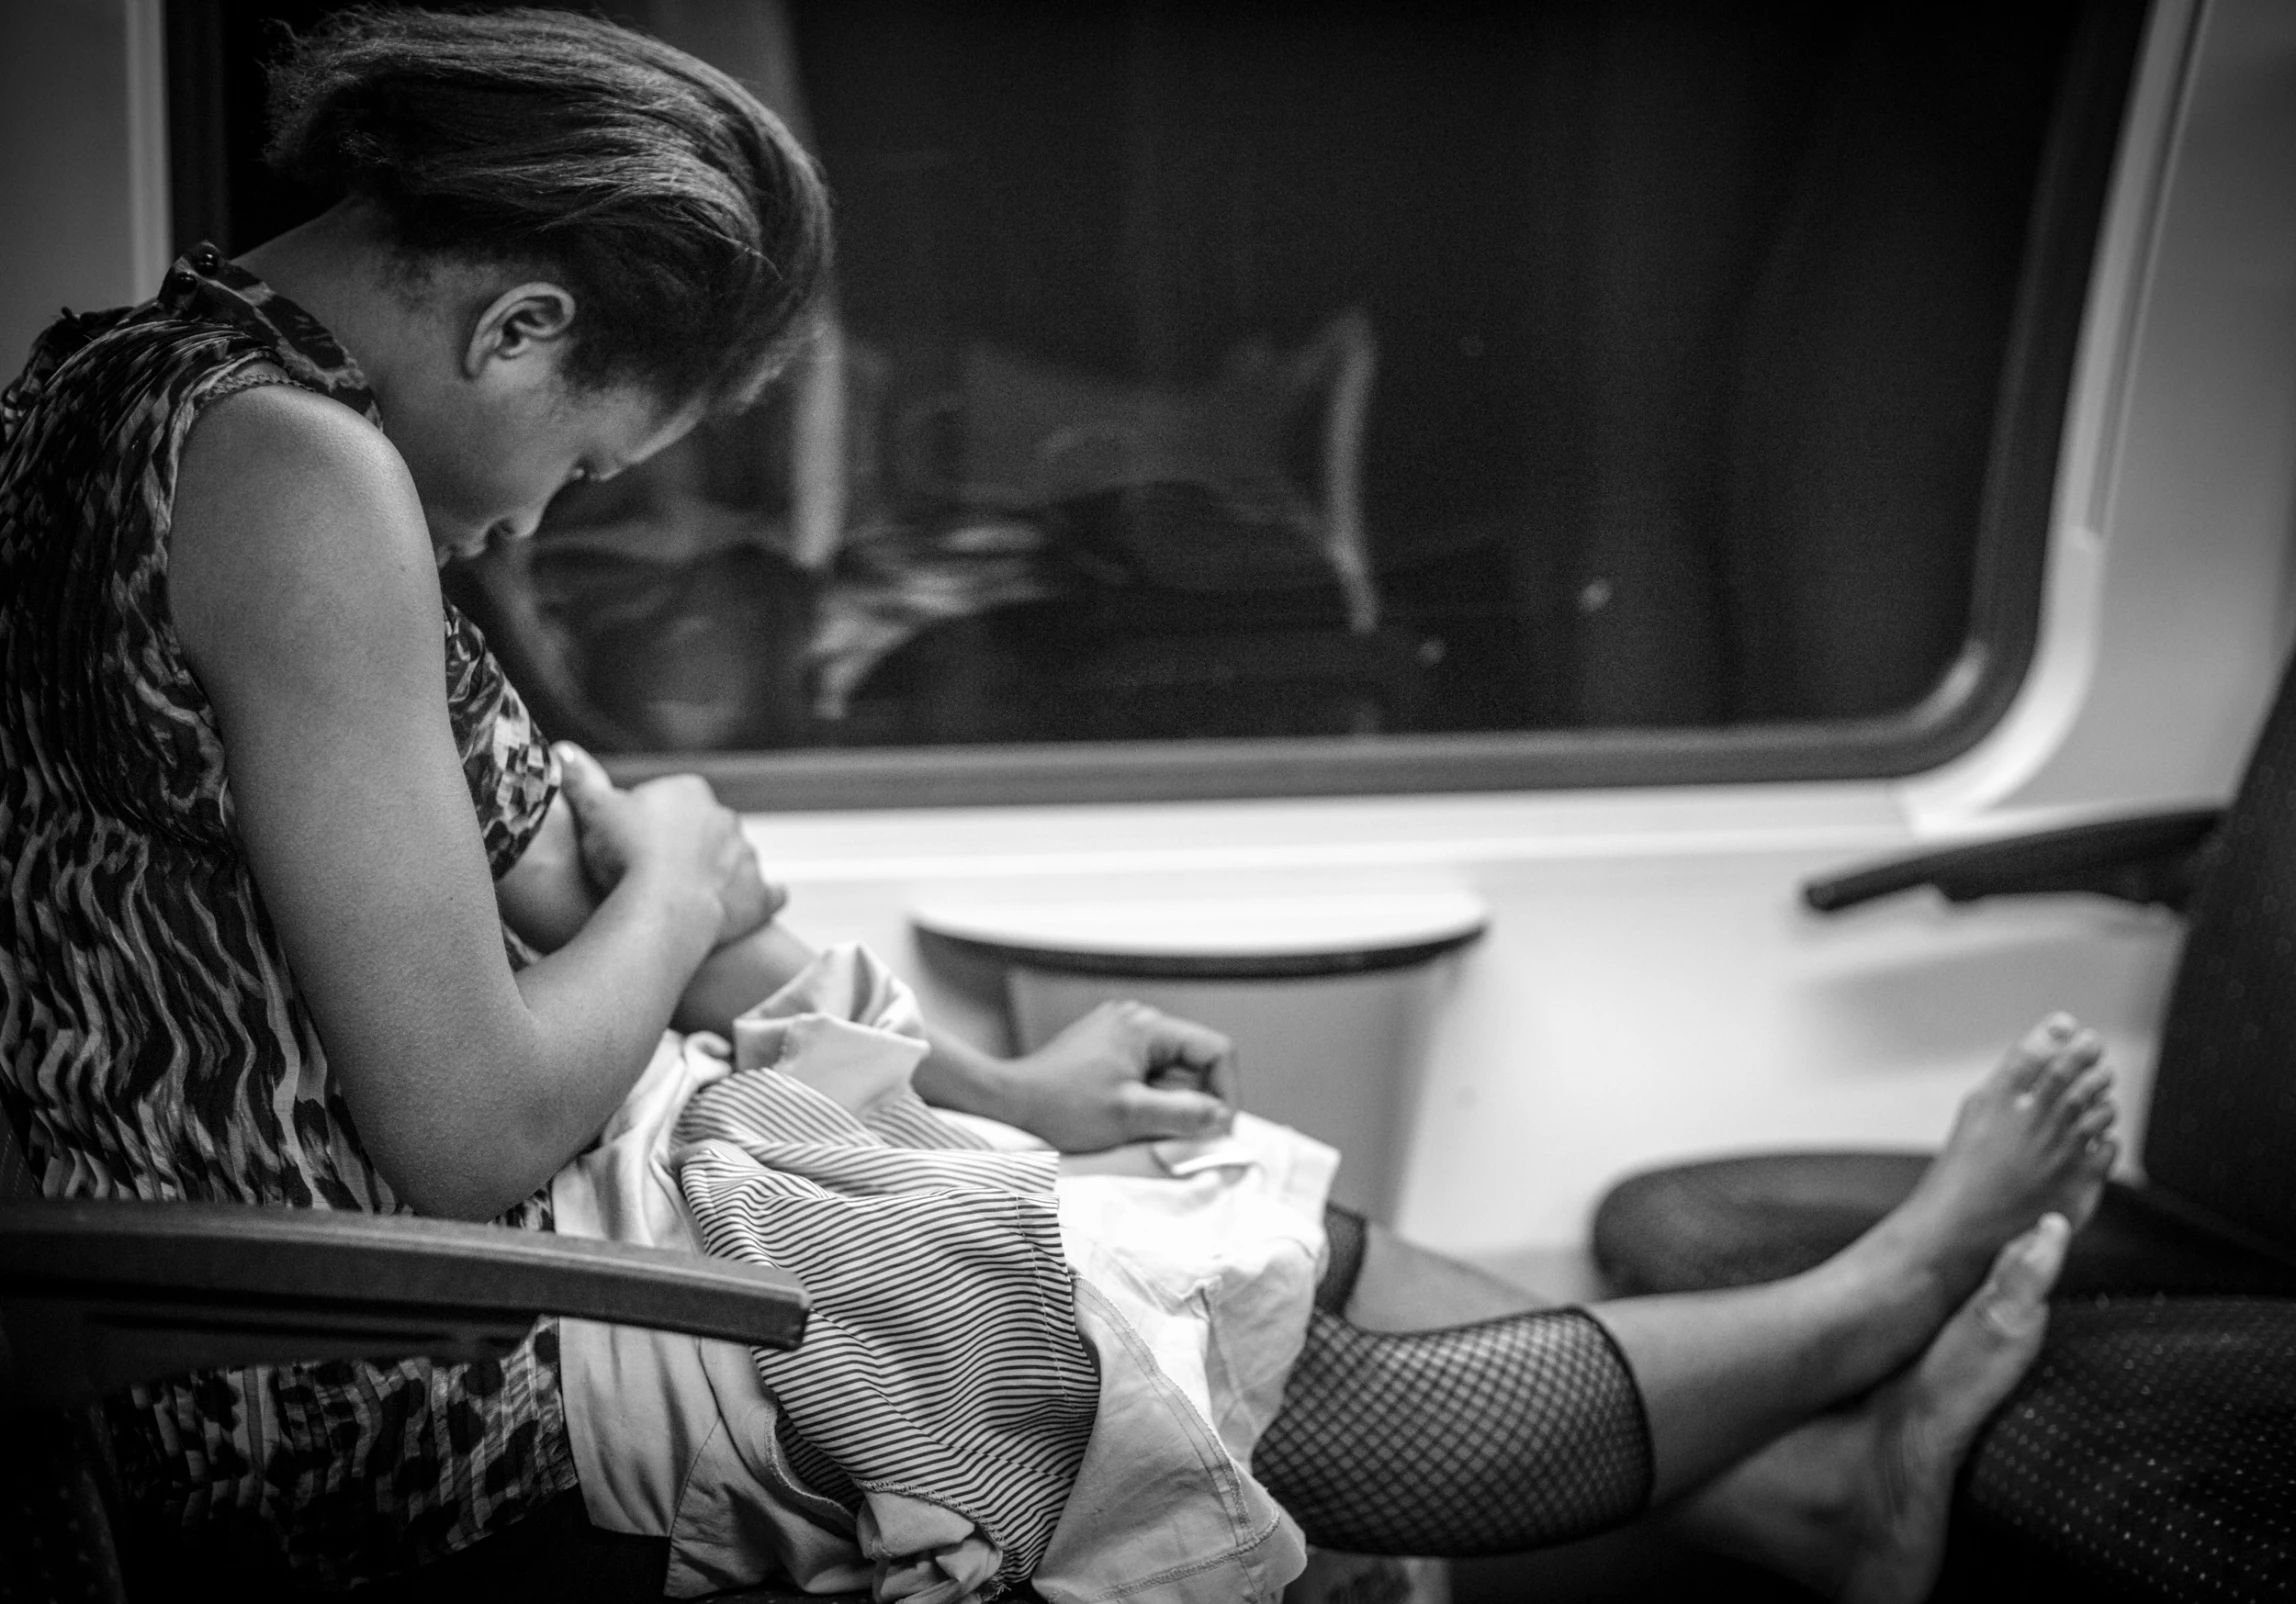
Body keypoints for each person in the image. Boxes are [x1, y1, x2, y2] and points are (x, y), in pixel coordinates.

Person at [0, 8, 2119, 1601]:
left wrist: (997, 1086)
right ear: (520, 324)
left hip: (454, 1242)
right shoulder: (298, 475)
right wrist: (686, 867)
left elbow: (504, 894)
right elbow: (464, 1114)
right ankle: (1872, 1297)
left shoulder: (108, 384)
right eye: (582, 471)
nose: (530, 535)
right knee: (1184, 1336)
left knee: (1268, 1218)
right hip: (359, 1352)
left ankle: (1819, 1494)